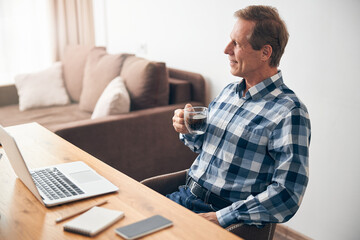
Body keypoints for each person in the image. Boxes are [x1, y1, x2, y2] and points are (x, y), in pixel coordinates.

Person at [170, 5, 311, 228]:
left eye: (236, 44)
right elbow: (206, 146)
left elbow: (288, 194)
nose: (226, 49)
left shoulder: (289, 111)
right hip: (184, 196)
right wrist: (188, 130)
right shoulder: (228, 92)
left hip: (220, 215)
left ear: (265, 53)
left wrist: (221, 217)